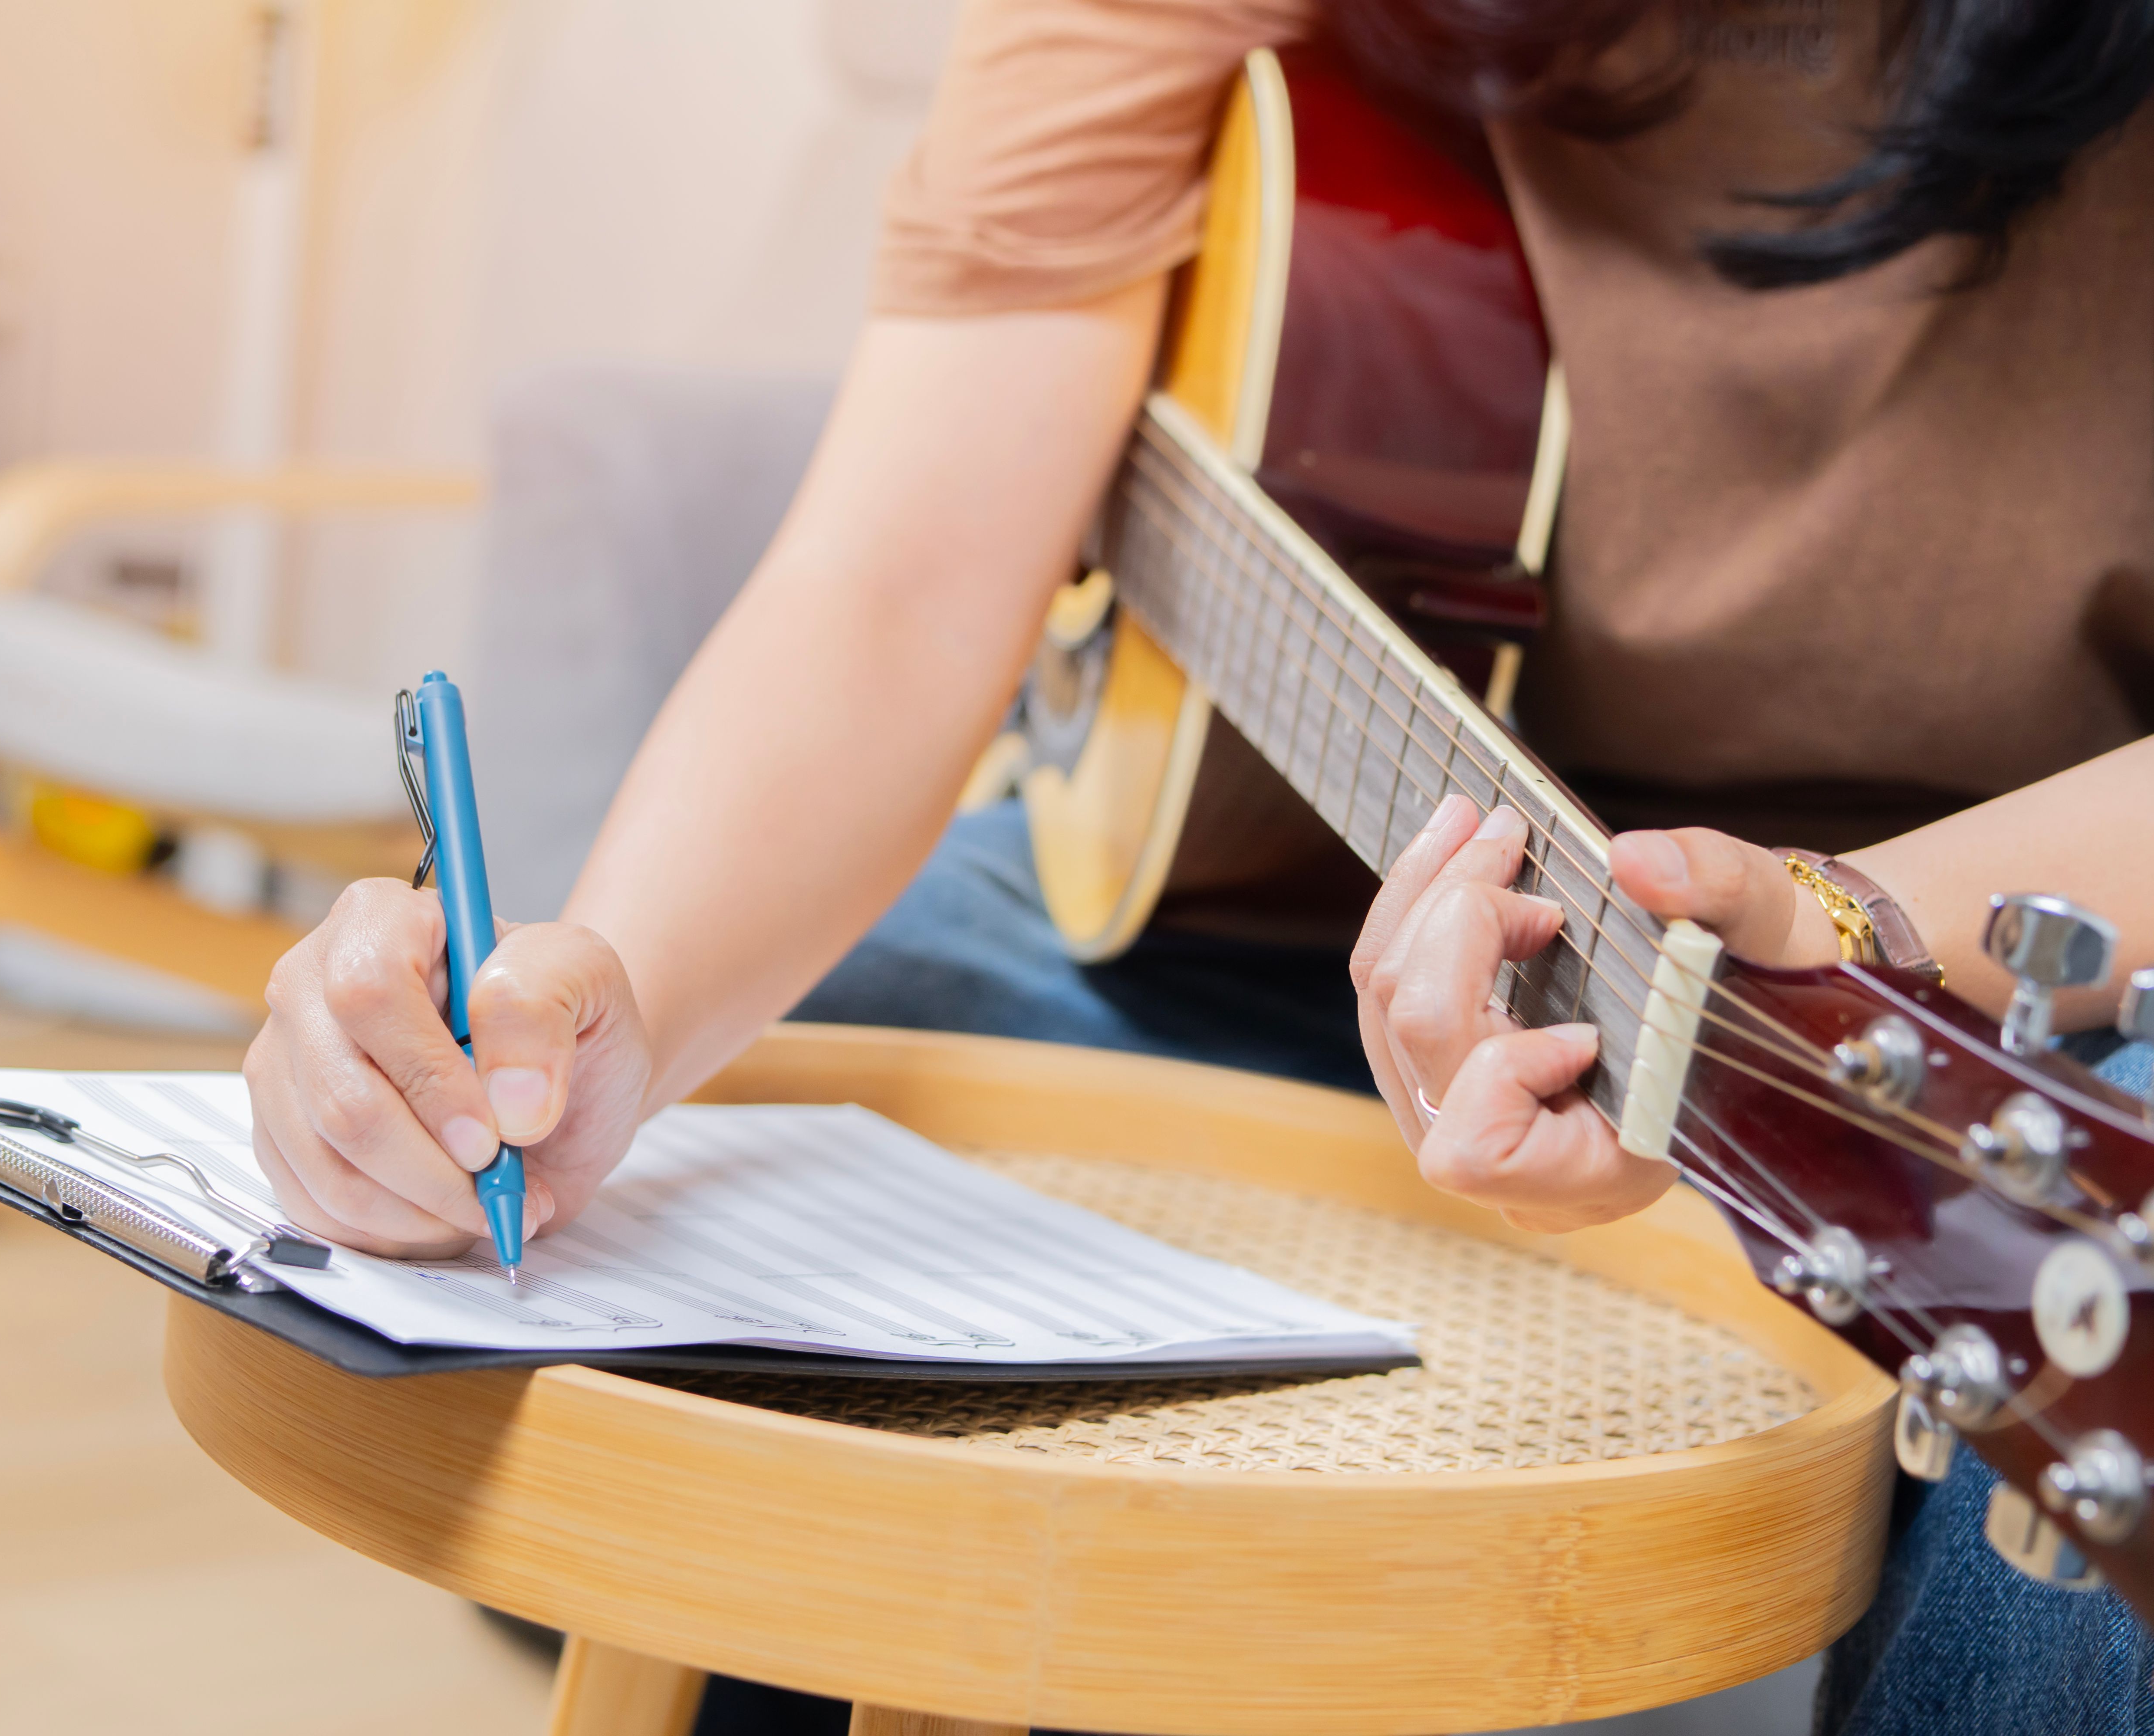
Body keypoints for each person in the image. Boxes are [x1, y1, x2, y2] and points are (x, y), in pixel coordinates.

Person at [245, 3, 2154, 1729]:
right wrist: (608, 1010)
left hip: (1983, 1000)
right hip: (1277, 886)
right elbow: (899, 587)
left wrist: (1842, 935)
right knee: (827, 1040)